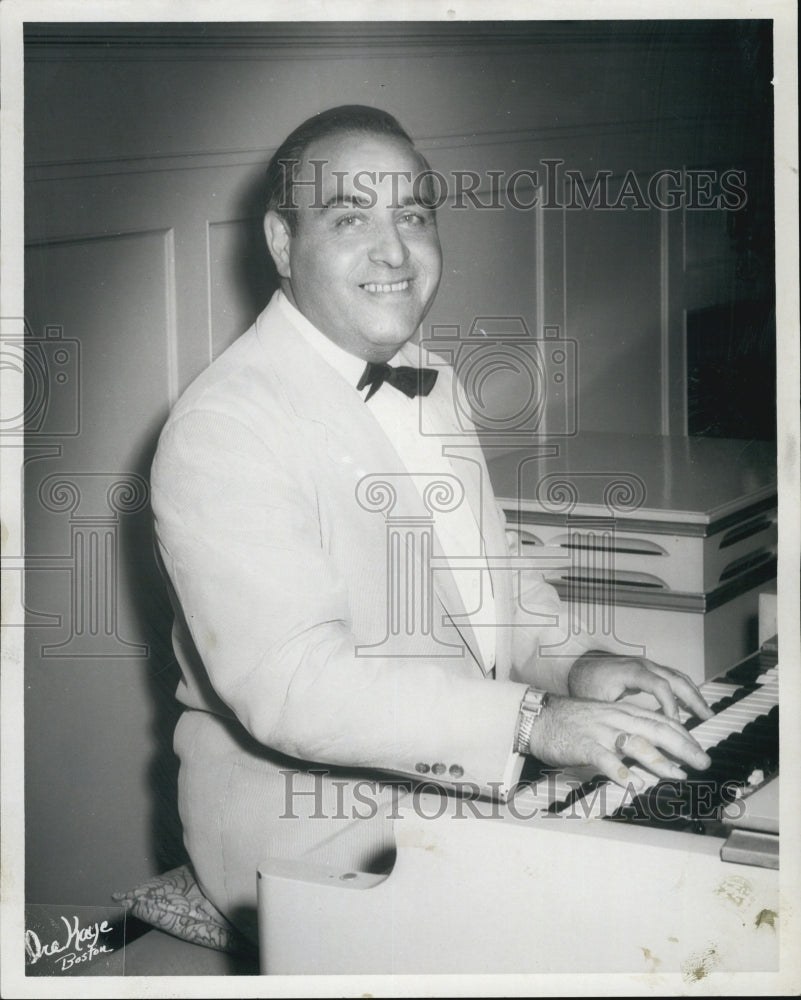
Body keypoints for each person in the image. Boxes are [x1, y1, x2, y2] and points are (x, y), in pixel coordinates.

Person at [150, 105, 712, 943]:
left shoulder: (428, 376)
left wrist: (576, 663)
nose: (394, 251)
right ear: (279, 242)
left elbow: (488, 583)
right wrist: (532, 722)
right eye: (351, 218)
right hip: (311, 835)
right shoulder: (222, 428)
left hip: (462, 785)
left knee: (700, 890)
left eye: (412, 215)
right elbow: (297, 687)